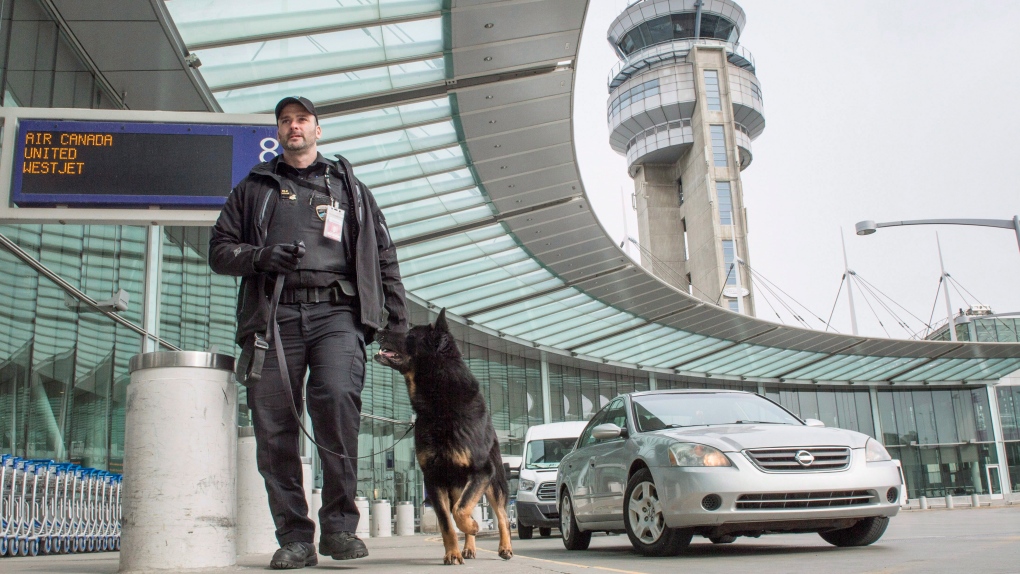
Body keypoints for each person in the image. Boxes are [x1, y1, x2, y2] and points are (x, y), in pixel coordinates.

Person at [209, 96, 408, 570]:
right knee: (274, 427)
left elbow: (383, 257)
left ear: (318, 129)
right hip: (273, 318)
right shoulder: (254, 188)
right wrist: (260, 257)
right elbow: (218, 250)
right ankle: (295, 537)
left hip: (337, 315)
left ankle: (340, 528)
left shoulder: (350, 189)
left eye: (301, 120)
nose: (293, 127)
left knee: (337, 403)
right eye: (285, 121)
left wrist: (396, 325)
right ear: (278, 132)